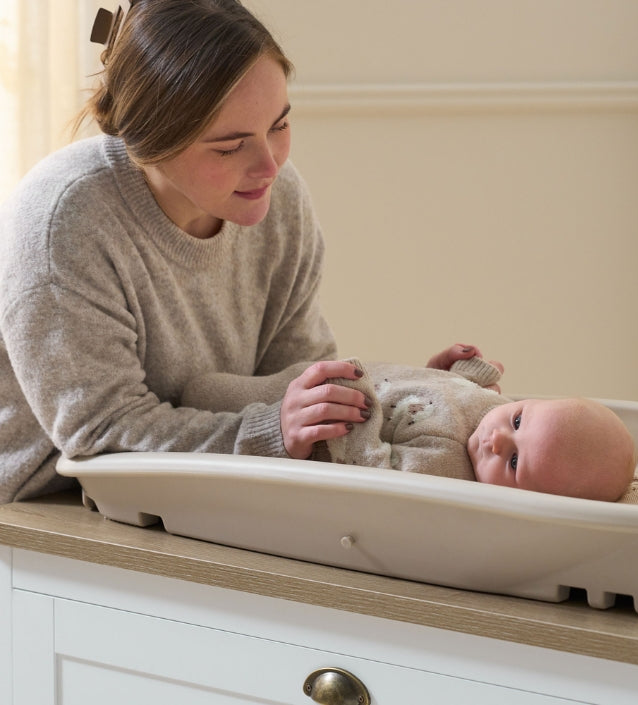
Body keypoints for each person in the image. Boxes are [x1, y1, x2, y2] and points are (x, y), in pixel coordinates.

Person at [0, 0, 485, 505]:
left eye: (279, 125)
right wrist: (270, 435)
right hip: (36, 512)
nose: (269, 166)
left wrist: (410, 400)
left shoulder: (279, 200)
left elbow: (294, 382)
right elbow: (102, 438)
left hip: (198, 496)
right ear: (147, 144)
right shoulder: (64, 221)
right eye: (230, 147)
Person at [182, 356, 638, 502]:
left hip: (313, 409)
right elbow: (438, 396)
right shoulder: (495, 410)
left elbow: (373, 468)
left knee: (203, 396)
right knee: (215, 384)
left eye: (515, 462)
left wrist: (354, 413)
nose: (499, 437)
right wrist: (458, 372)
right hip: (313, 377)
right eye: (519, 420)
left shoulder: (445, 471)